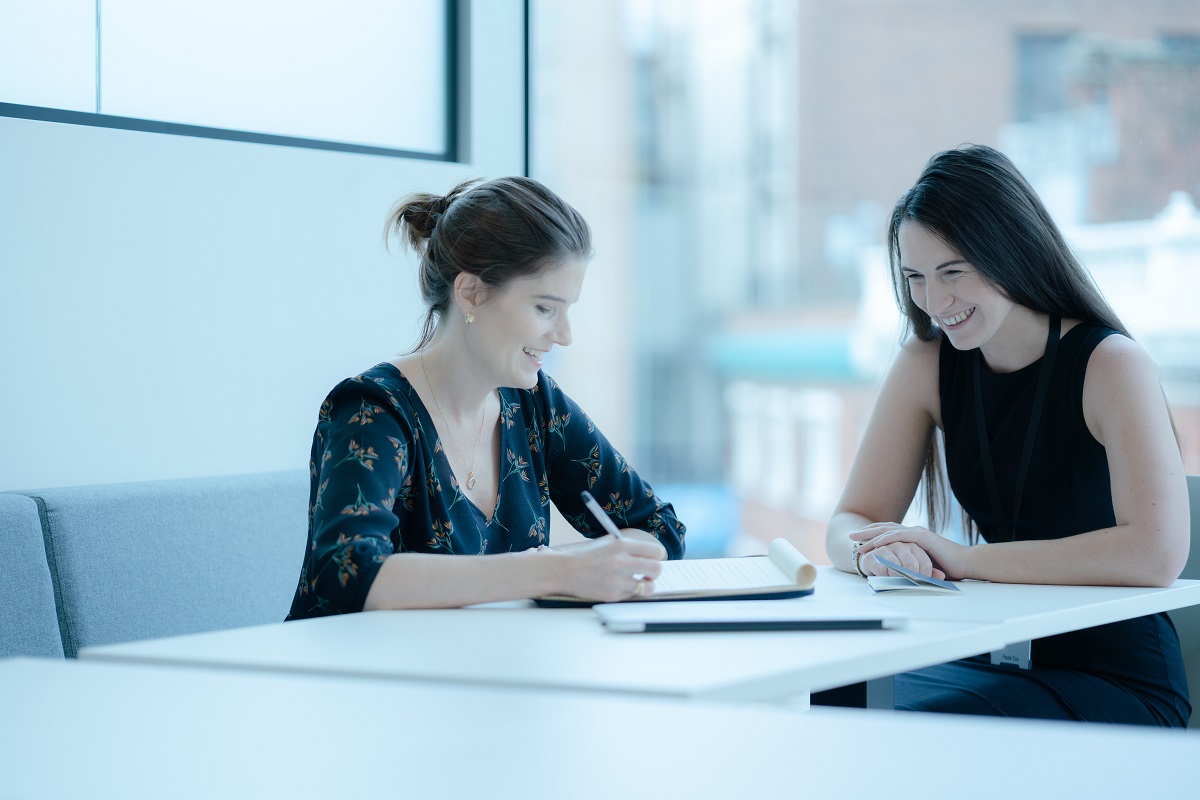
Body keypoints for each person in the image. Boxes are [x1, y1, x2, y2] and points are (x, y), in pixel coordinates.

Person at [823, 144, 1191, 726]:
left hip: (1113, 677)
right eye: (916, 277)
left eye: (953, 273)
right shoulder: (926, 364)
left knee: (916, 726)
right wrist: (876, 555)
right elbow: (849, 520)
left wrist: (967, 561)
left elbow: (1156, 555)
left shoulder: (1110, 365)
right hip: (991, 657)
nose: (935, 302)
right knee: (837, 693)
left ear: (1009, 253)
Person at [287, 176, 685, 618]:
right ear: (471, 293)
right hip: (356, 679)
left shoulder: (536, 406)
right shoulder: (373, 410)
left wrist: (601, 565)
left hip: (486, 672)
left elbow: (658, 527)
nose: (564, 335)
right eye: (544, 309)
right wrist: (554, 572)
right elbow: (349, 573)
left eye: (567, 310)